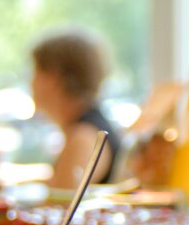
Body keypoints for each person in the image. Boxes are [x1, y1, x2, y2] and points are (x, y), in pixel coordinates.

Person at [30, 27, 121, 188]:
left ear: (53, 77)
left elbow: (61, 204)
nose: (31, 82)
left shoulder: (84, 137)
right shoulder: (85, 130)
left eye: (36, 72)